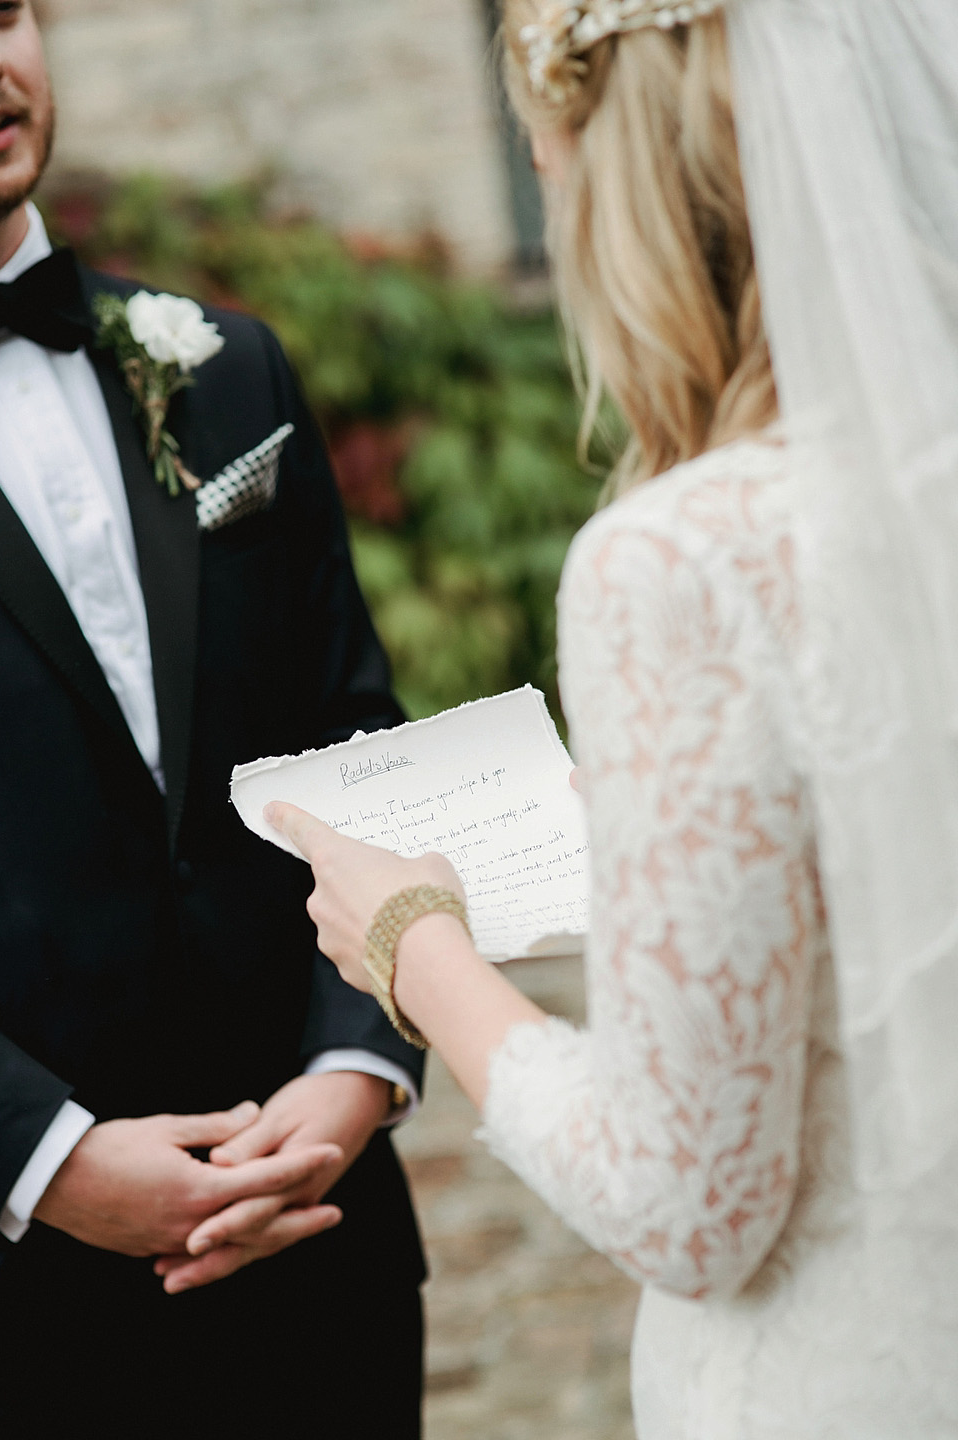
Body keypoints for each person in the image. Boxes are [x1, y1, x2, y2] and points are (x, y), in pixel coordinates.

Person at [211, 1, 958, 1435]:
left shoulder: (681, 564)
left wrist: (407, 941)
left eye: (546, 172)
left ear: (608, 180)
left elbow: (686, 1200)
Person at [0, 4, 426, 1436]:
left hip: (325, 1259)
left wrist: (356, 1067)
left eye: (4, 10)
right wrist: (41, 1158)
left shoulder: (223, 369)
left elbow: (358, 746)